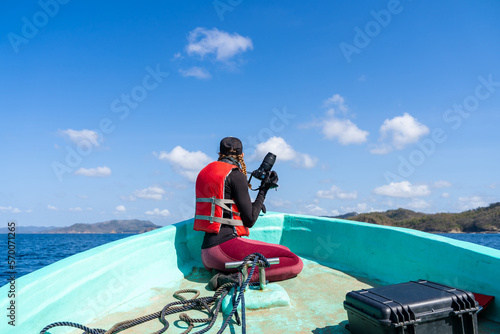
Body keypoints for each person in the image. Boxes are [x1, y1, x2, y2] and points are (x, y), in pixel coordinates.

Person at [194, 137, 303, 290]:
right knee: (294, 261)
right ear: (242, 156)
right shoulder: (236, 175)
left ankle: (223, 271)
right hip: (223, 249)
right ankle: (234, 278)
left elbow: (223, 204)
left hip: (207, 254)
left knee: (285, 251)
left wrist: (254, 205)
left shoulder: (205, 173)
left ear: (219, 153)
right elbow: (249, 220)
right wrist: (264, 190)